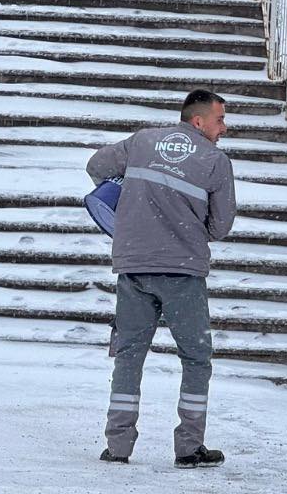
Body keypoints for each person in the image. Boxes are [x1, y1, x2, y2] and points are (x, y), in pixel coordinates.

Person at [84, 89, 236, 468]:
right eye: (220, 120)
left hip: (134, 268)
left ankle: (118, 446)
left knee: (129, 356)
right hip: (182, 272)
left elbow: (96, 166)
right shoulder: (215, 161)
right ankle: (188, 447)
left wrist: (133, 196)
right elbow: (221, 226)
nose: (225, 128)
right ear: (198, 121)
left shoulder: (142, 141)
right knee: (196, 359)